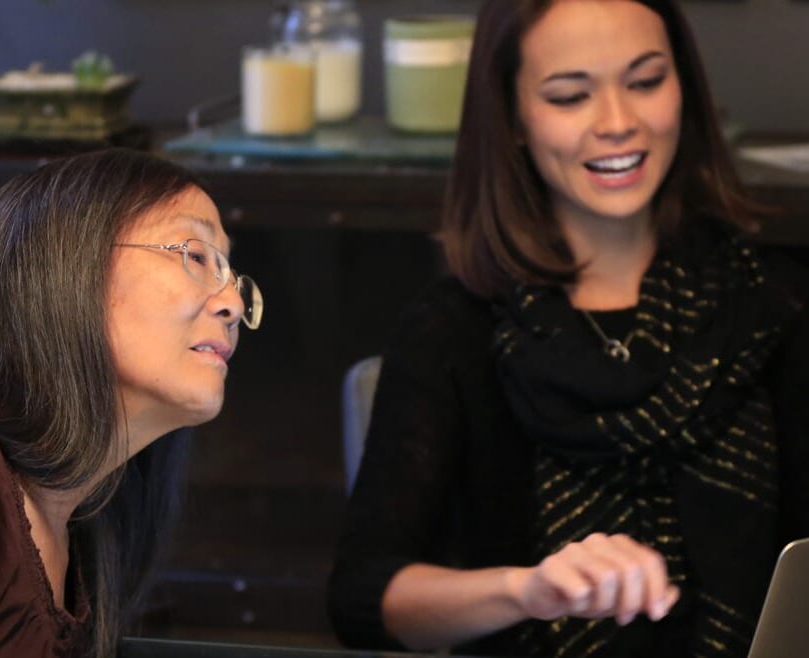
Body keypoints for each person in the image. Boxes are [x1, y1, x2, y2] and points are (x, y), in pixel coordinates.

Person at [327, 1, 809, 657]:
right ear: (513, 119)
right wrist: (524, 590)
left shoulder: (776, 300)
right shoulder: (452, 329)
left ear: (685, 91)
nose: (618, 122)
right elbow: (363, 599)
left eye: (645, 82)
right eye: (569, 96)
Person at [0, 148, 263, 657]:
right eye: (197, 257)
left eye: (231, 276)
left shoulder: (85, 523)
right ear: (68, 263)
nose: (232, 304)